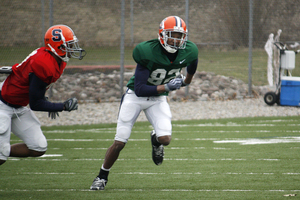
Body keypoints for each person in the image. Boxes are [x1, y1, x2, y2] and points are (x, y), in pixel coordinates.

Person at [90, 16, 198, 190]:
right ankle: (102, 176)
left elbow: (192, 61)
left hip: (158, 99)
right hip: (135, 97)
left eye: (179, 36)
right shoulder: (147, 51)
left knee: (165, 139)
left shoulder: (189, 50)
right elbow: (140, 88)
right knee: (120, 142)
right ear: (162, 35)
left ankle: (155, 140)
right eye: (172, 35)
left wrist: (187, 80)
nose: (176, 40)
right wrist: (167, 86)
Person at [0, 24, 86, 165]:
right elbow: (36, 104)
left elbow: (33, 84)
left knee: (38, 147)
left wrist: (46, 101)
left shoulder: (57, 60)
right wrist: (62, 106)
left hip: (19, 106)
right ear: (58, 46)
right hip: (3, 104)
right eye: (69, 45)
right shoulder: (44, 63)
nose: (73, 48)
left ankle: (2, 150)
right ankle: (1, 152)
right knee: (0, 158)